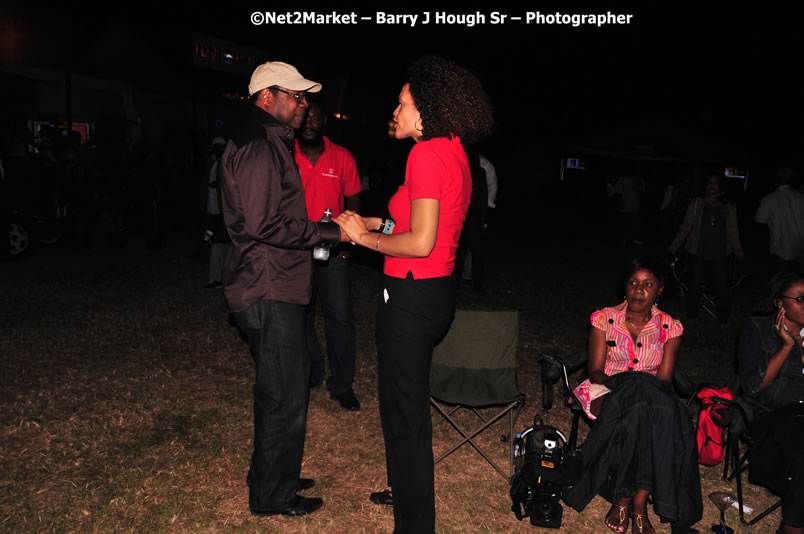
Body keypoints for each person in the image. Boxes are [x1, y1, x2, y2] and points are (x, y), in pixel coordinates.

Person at [335, 56, 494, 534]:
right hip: (434, 294)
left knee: (403, 416)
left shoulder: (424, 155)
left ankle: (414, 522)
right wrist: (373, 223)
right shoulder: (455, 152)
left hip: (409, 296)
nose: (395, 109)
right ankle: (406, 492)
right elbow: (421, 228)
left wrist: (363, 241)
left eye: (402, 103)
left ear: (425, 109)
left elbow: (420, 242)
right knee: (408, 409)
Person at [218, 61, 345, 517]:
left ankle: (276, 472)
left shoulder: (269, 140)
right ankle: (272, 495)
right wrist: (330, 234)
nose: (303, 103)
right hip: (267, 285)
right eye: (295, 94)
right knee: (284, 396)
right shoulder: (258, 145)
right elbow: (264, 222)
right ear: (268, 96)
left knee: (282, 390)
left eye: (304, 95)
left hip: (274, 281)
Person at [564, 257, 702, 534]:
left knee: (643, 411)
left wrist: (640, 388)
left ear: (660, 290)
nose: (639, 290)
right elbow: (595, 371)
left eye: (648, 285)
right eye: (633, 283)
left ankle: (628, 499)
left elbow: (663, 380)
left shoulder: (671, 327)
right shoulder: (603, 318)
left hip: (651, 394)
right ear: (625, 287)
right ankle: (637, 502)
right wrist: (629, 386)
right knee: (646, 409)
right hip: (607, 388)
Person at [295, 101, 362, 410]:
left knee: (341, 318)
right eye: (305, 117)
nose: (310, 122)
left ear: (324, 122)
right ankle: (312, 371)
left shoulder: (343, 156)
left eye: (316, 118)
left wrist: (350, 241)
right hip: (295, 250)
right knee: (299, 316)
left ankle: (342, 384)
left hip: (333, 251)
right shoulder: (285, 153)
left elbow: (354, 199)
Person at [737, 272, 804, 534]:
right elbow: (752, 387)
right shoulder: (756, 329)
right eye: (800, 299)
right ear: (779, 303)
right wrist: (787, 346)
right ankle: (792, 526)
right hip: (771, 417)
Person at [670, 174, 744, 324]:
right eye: (709, 183)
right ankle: (692, 315)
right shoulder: (697, 203)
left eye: (715, 183)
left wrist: (739, 251)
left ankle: (723, 318)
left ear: (720, 186)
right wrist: (674, 246)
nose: (712, 186)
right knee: (694, 284)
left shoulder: (728, 205)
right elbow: (686, 226)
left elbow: (733, 230)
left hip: (720, 253)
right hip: (698, 252)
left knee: (721, 287)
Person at [755, 168, 804, 275]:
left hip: (778, 249)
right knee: (797, 281)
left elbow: (760, 220)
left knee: (781, 283)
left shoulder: (769, 199)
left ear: (777, 180)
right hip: (799, 248)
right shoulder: (801, 198)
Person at [202, 136, 229, 288]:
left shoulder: (225, 163)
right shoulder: (212, 163)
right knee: (212, 235)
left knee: (219, 239)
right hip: (213, 205)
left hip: (223, 206)